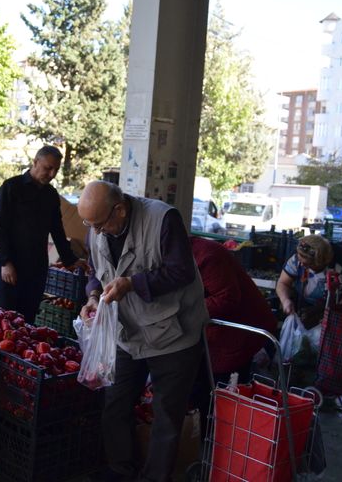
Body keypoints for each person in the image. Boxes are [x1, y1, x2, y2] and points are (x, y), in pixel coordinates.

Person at [78, 181, 208, 482]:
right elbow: (94, 272)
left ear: (120, 210)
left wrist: (132, 284)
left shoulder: (163, 219)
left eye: (99, 224)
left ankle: (154, 478)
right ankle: (120, 470)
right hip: (128, 333)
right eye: (90, 224)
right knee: (115, 401)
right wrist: (93, 296)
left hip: (174, 334)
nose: (95, 231)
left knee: (166, 415)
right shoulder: (97, 227)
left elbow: (181, 271)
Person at [0, 145, 80, 323]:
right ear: (35, 162)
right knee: (5, 323)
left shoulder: (51, 195)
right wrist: (5, 262)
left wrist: (70, 260)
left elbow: (57, 230)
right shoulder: (11, 187)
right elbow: (0, 227)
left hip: (36, 270)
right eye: (48, 168)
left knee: (28, 322)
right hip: (10, 267)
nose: (52, 174)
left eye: (56, 169)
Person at [190, 236, 276, 382]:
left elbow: (226, 298)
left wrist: (183, 309)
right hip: (220, 332)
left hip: (240, 331)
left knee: (225, 389)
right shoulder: (187, 254)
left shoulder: (206, 255)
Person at [275, 234, 342, 323]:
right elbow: (283, 283)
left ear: (319, 263)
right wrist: (285, 300)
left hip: (335, 303)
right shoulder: (299, 255)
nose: (301, 265)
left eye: (306, 264)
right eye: (300, 261)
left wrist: (335, 315)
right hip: (304, 303)